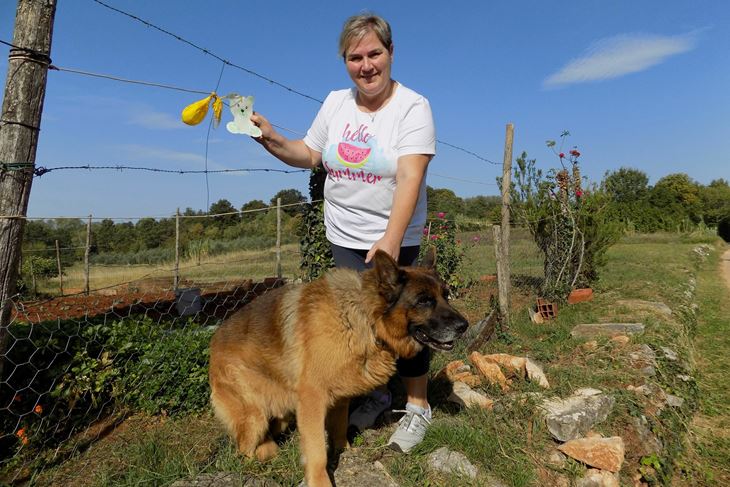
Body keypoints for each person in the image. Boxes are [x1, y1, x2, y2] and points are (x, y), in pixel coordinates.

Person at [250, 13, 435, 454]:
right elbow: (309, 153)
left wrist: (390, 241)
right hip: (345, 234)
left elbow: (411, 176)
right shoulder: (336, 104)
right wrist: (273, 139)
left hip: (395, 239)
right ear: (345, 61)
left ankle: (417, 405)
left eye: (374, 54)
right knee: (355, 327)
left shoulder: (413, 107)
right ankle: (373, 395)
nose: (366, 65)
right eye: (356, 57)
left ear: (390, 54)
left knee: (412, 318)